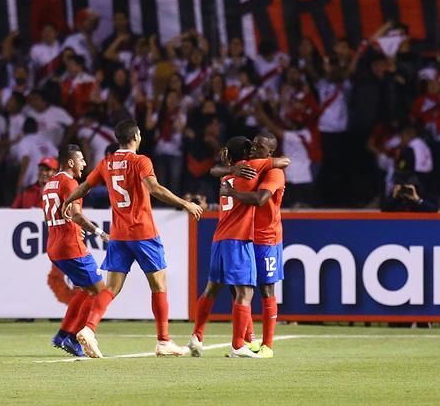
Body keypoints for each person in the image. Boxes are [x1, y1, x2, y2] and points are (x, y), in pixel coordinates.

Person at [61, 119, 203, 358]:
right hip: (143, 233)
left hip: (118, 235)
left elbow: (85, 186)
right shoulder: (141, 161)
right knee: (159, 285)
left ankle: (89, 328)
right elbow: (155, 189)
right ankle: (163, 341)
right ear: (136, 136)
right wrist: (185, 204)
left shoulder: (107, 162)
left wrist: (67, 201)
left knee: (111, 288)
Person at [189, 136, 289, 358]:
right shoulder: (243, 169)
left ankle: (267, 346)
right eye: (252, 145)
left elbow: (261, 198)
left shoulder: (271, 171)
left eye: (259, 147)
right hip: (245, 237)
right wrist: (233, 168)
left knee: (265, 290)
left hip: (266, 238)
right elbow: (218, 171)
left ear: (269, 152)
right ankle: (245, 341)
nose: (254, 149)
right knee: (241, 290)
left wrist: (230, 179)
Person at [43, 145, 108, 358]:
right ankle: (73, 337)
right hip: (71, 246)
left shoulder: (49, 183)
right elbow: (76, 215)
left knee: (85, 290)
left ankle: (63, 335)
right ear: (70, 162)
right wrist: (100, 232)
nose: (85, 164)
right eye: (81, 160)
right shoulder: (69, 182)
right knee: (101, 291)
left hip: (54, 245)